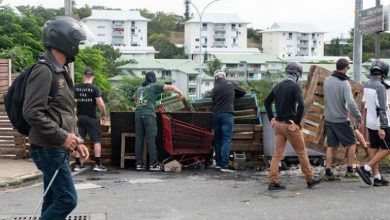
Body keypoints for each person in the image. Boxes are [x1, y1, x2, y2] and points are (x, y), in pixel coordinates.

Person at [22, 16, 89, 220]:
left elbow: (64, 112)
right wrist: (61, 136)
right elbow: (32, 111)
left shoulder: (61, 71)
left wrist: (75, 140)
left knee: (52, 198)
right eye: (76, 42)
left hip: (55, 146)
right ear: (64, 41)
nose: (77, 46)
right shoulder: (44, 70)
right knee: (67, 199)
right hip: (47, 148)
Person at [264, 62, 322, 190]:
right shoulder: (295, 87)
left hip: (278, 125)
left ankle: (273, 181)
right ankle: (310, 179)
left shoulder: (278, 86)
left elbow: (267, 102)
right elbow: (301, 105)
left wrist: (271, 118)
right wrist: (296, 123)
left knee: (277, 154)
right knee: (301, 152)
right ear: (297, 74)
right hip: (290, 126)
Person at [133, 71, 184, 171]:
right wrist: (181, 94)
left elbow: (134, 98)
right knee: (151, 139)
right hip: (148, 114)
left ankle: (139, 164)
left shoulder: (139, 89)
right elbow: (171, 87)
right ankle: (153, 165)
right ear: (153, 79)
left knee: (139, 139)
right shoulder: (153, 86)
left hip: (138, 114)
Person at [323, 58, 362, 181]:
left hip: (329, 118)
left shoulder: (327, 80)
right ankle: (350, 170)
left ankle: (328, 172)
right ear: (345, 68)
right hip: (341, 119)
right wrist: (358, 116)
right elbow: (350, 102)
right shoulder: (345, 83)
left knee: (331, 145)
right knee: (352, 143)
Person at [356, 59, 390, 186]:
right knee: (387, 148)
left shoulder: (367, 84)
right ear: (384, 73)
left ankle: (377, 177)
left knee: (374, 148)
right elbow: (381, 108)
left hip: (370, 121)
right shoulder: (380, 87)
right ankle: (366, 168)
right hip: (380, 122)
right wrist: (382, 127)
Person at [73, 68, 108, 172]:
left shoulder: (76, 88)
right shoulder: (95, 88)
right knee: (96, 140)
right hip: (91, 118)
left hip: (79, 118)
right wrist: (103, 115)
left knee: (79, 139)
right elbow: (100, 104)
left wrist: (74, 115)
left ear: (84, 76)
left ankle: (78, 164)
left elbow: (70, 102)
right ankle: (97, 164)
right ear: (92, 77)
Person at [212, 70, 246, 171]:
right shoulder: (230, 84)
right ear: (224, 76)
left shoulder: (214, 88)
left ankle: (218, 163)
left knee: (217, 140)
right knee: (226, 139)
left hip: (216, 115)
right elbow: (243, 92)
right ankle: (225, 164)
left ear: (215, 78)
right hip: (227, 115)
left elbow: (213, 99)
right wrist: (233, 95)